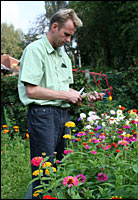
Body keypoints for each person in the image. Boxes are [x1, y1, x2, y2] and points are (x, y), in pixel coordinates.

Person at [18, 8, 105, 199]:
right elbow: (31, 90)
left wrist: (86, 96)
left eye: (70, 36)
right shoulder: (34, 50)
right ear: (54, 27)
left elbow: (66, 91)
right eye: (66, 35)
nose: (68, 40)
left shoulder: (63, 56)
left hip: (62, 116)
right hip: (42, 116)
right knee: (44, 171)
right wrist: (66, 96)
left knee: (62, 165)